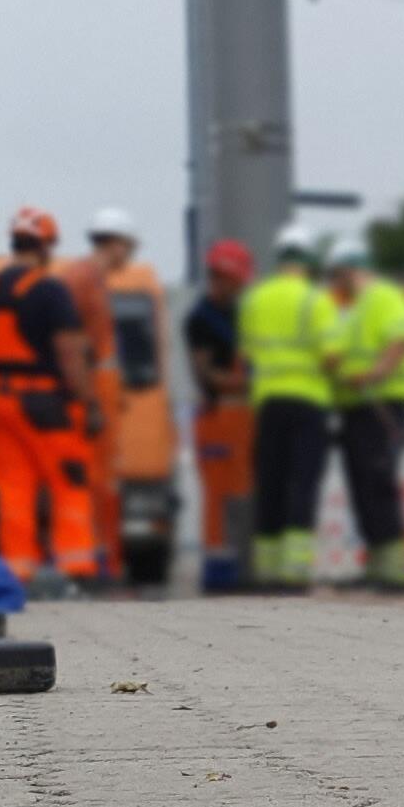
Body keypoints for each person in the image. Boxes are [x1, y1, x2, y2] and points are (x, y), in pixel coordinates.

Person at [0, 206, 102, 589]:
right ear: (45, 247)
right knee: (68, 484)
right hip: (45, 405)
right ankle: (76, 572)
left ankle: (17, 573)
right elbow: (69, 354)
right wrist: (88, 402)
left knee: (12, 491)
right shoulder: (50, 291)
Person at [239, 224, 339, 593]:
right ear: (309, 260)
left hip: (268, 403)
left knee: (270, 483)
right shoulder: (317, 300)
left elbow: (246, 356)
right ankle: (294, 571)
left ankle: (265, 570)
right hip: (309, 403)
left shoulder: (254, 299)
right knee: (303, 483)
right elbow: (331, 357)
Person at [324, 240, 404, 594]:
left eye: (336, 277)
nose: (335, 285)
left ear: (348, 270)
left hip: (383, 405)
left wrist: (373, 375)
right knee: (361, 486)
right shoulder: (356, 308)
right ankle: (378, 566)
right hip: (358, 408)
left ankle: (395, 572)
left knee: (377, 482)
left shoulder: (384, 297)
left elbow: (402, 339)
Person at [58, 208, 140, 580]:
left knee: (102, 482)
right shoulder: (84, 279)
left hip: (97, 391)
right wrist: (90, 401)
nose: (130, 255)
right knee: (94, 482)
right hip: (91, 392)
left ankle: (103, 559)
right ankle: (96, 561)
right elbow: (74, 346)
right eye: (128, 246)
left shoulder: (89, 278)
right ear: (116, 243)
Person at [182, 240, 253, 594]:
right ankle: (219, 570)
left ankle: (240, 564)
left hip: (242, 418)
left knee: (242, 493)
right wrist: (246, 382)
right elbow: (205, 373)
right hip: (218, 418)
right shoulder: (202, 319)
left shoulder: (239, 313)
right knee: (219, 496)